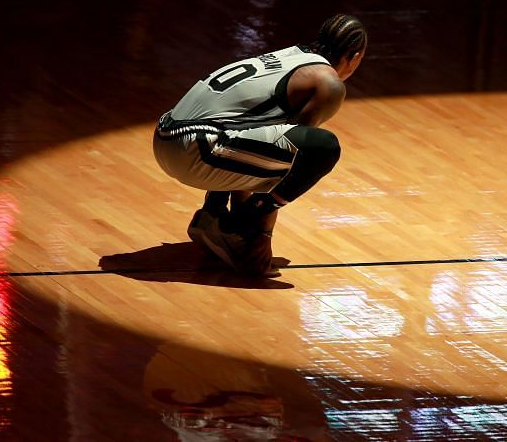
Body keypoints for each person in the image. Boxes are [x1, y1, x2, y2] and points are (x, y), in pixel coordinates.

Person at [153, 14, 367, 277]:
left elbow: (255, 139)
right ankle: (239, 229)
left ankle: (215, 218)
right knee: (322, 148)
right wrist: (262, 235)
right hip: (194, 149)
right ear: (355, 57)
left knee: (254, 139)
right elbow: (294, 157)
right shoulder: (328, 84)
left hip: (166, 133)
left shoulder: (292, 55)